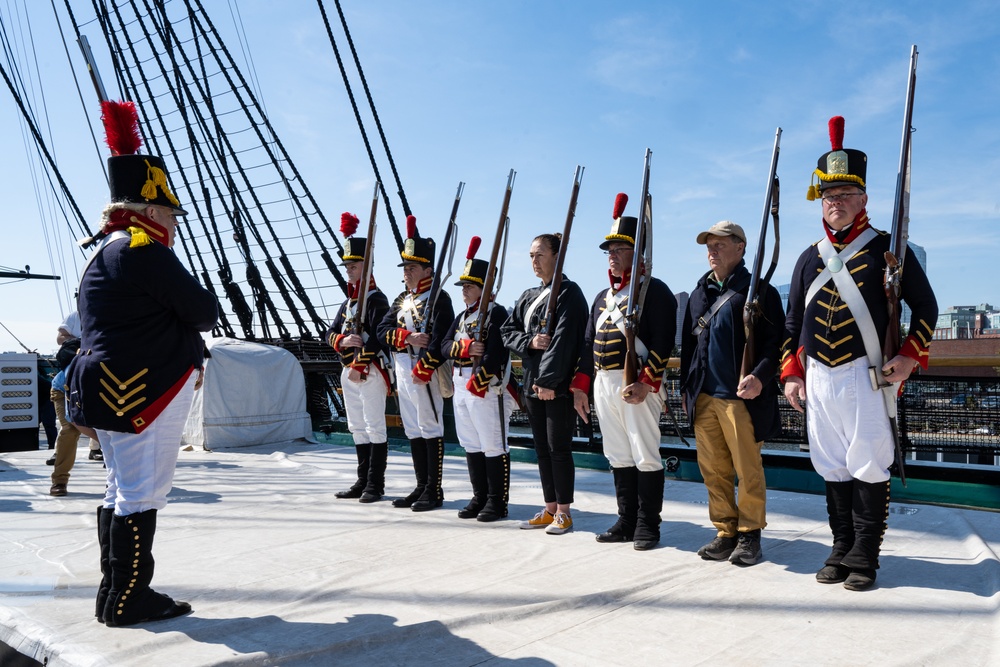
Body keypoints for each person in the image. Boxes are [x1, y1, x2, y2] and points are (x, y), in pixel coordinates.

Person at [66, 100, 218, 625]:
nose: (173, 222)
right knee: (141, 492)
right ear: (151, 210)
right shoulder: (141, 249)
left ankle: (114, 595)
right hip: (139, 387)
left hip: (105, 382)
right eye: (170, 213)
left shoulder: (101, 249)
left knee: (118, 488)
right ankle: (131, 599)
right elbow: (203, 311)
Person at [782, 116, 937, 591]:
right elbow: (792, 325)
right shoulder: (809, 257)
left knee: (869, 462)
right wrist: (792, 373)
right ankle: (840, 546)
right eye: (829, 196)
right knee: (831, 464)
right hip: (820, 379)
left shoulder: (889, 250)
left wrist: (910, 355)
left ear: (864, 199)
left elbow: (926, 307)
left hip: (868, 373)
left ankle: (865, 556)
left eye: (846, 195)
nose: (836, 203)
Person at [570, 194, 675, 550]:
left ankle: (648, 524)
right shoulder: (602, 297)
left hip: (637, 383)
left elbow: (662, 342)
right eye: (609, 249)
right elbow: (588, 346)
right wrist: (581, 387)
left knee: (645, 453)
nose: (612, 254)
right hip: (603, 382)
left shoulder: (654, 291)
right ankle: (626, 519)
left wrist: (646, 383)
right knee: (617, 453)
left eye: (620, 248)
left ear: (638, 253)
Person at [680, 220, 784, 566]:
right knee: (713, 469)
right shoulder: (699, 293)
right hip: (705, 396)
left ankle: (750, 534)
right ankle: (726, 531)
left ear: (740, 247)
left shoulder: (759, 292)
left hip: (741, 398)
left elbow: (776, 344)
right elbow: (688, 348)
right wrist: (686, 390)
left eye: (720, 244)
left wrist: (758, 377)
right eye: (709, 245)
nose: (712, 251)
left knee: (747, 469)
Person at [501, 233, 587, 535]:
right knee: (541, 449)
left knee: (558, 448)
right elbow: (507, 331)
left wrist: (549, 381)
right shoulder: (528, 296)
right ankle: (550, 507)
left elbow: (565, 342)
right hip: (532, 383)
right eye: (530, 255)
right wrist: (529, 341)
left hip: (556, 385)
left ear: (556, 256)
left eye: (539, 254)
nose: (534, 261)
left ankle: (564, 511)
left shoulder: (570, 294)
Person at [377, 215, 454, 512]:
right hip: (402, 367)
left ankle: (433, 490)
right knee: (413, 428)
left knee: (430, 427)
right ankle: (421, 485)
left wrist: (425, 367)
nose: (406, 273)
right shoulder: (401, 299)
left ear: (427, 269)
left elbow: (442, 339)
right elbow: (382, 331)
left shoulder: (440, 298)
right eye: (406, 268)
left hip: (425, 371)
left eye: (411, 268)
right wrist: (407, 337)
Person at [443, 236, 516, 522]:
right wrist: (463, 348)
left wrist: (480, 380)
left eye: (470, 286)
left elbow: (497, 353)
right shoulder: (462, 316)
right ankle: (480, 496)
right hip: (461, 381)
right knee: (470, 443)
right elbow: (443, 344)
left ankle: (497, 501)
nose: (465, 290)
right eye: (464, 286)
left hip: (484, 385)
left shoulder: (496, 313)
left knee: (493, 444)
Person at [326, 212, 391, 503]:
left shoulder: (376, 299)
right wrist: (342, 340)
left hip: (370, 370)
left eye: (353, 266)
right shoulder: (349, 302)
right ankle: (362, 480)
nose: (348, 270)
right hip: (348, 370)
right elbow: (328, 333)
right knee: (357, 427)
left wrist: (359, 364)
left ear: (366, 266)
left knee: (375, 425)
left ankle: (375, 485)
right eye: (348, 266)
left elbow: (378, 337)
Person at [48, 312, 103, 497]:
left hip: (93, 389)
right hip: (64, 389)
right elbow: (74, 419)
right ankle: (59, 480)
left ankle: (119, 478)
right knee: (70, 431)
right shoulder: (83, 368)